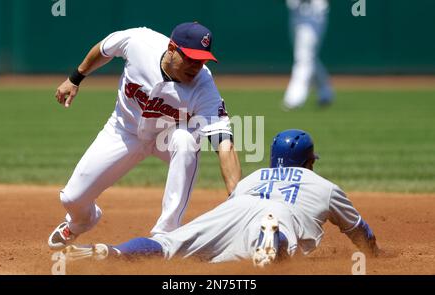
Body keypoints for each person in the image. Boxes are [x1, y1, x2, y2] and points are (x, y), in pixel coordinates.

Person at [48, 22, 242, 250]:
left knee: (186, 139)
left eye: (201, 61)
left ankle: (166, 233)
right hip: (123, 131)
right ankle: (82, 221)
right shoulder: (140, 42)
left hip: (166, 138)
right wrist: (75, 78)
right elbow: (103, 49)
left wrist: (237, 200)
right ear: (172, 48)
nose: (195, 66)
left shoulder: (204, 86)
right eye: (190, 58)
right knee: (71, 198)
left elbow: (224, 143)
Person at [62, 129, 380, 268]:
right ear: (310, 162)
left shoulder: (253, 179)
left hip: (236, 206)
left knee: (169, 245)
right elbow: (359, 231)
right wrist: (375, 254)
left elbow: (234, 202)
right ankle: (270, 241)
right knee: (275, 245)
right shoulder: (323, 186)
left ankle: (112, 251)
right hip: (278, 216)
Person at [283, 0, 334, 110]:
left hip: (314, 15)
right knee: (308, 57)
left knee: (304, 57)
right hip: (296, 12)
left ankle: (294, 98)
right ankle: (325, 90)